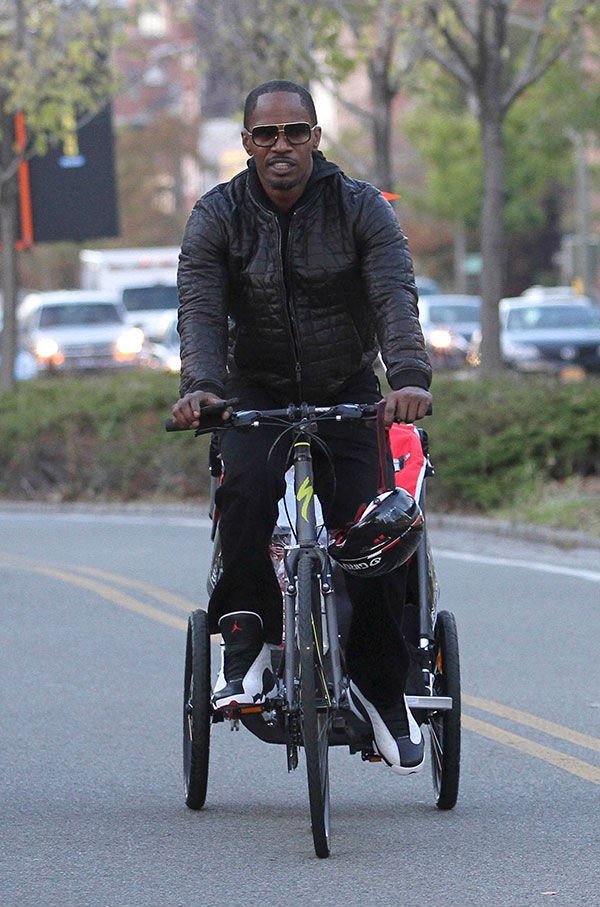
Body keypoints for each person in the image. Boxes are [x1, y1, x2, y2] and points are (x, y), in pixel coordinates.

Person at [172, 79, 432, 775]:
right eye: (266, 135)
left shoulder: (359, 209)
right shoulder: (217, 215)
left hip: (347, 390)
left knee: (378, 529)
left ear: (316, 136)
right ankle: (248, 642)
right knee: (247, 496)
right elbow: (199, 310)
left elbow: (392, 294)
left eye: (295, 132)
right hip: (253, 392)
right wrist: (202, 390)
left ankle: (381, 687)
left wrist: (408, 377)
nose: (281, 146)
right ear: (248, 143)